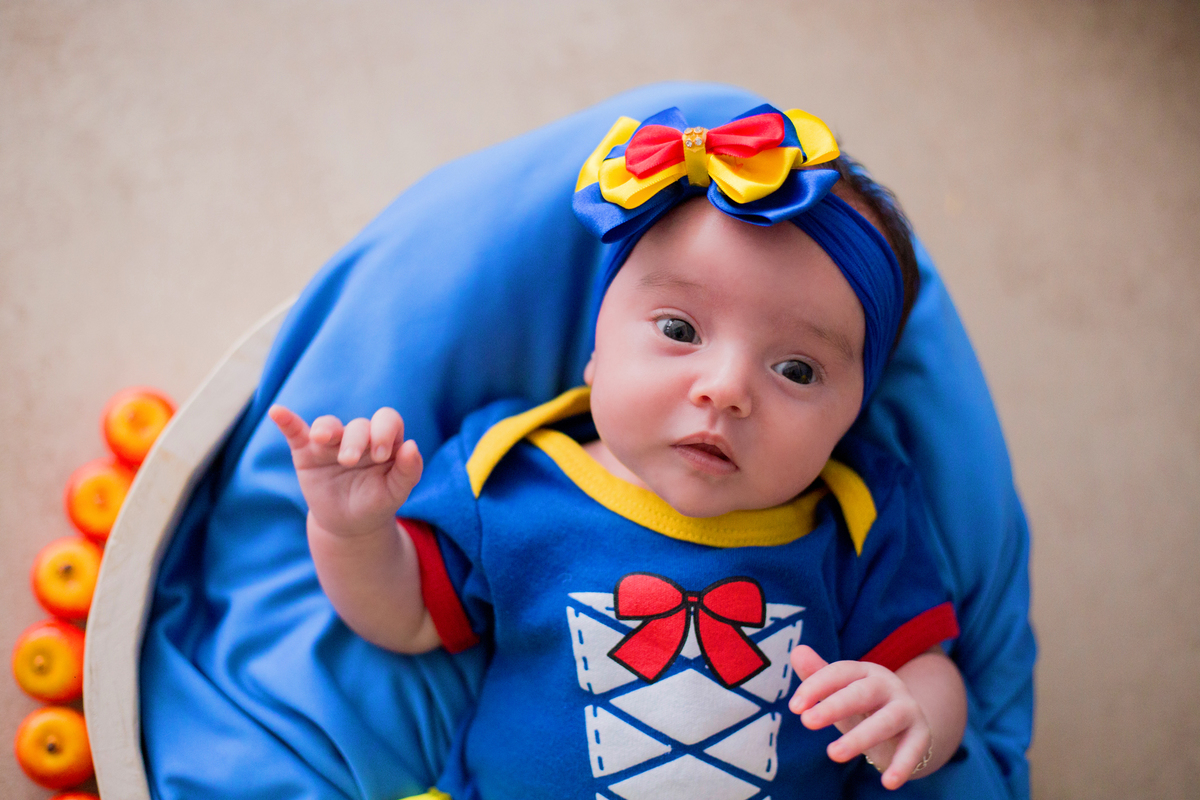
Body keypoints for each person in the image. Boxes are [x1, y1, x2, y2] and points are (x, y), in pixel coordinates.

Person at [269, 103, 967, 799]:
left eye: (797, 371)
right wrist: (349, 529)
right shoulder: (515, 474)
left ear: (850, 416)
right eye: (678, 328)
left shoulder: (856, 518)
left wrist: (914, 718)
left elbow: (928, 667)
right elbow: (407, 617)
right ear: (596, 351)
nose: (725, 390)